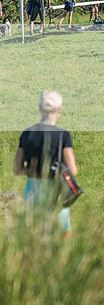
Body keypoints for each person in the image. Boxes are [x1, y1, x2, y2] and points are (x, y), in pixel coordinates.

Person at [14, 91, 78, 233]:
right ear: (59, 110)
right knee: (62, 242)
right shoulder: (63, 135)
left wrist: (32, 170)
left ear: (39, 108)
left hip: (32, 195)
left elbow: (17, 168)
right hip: (55, 195)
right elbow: (72, 170)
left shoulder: (27, 133)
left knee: (32, 240)